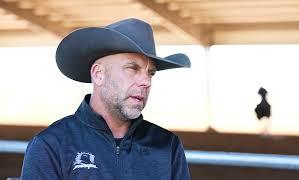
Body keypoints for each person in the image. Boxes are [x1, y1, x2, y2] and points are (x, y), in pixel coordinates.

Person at [21, 18, 191, 179]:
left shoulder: (167, 146)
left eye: (150, 73)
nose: (146, 82)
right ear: (98, 74)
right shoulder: (51, 145)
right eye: (132, 68)